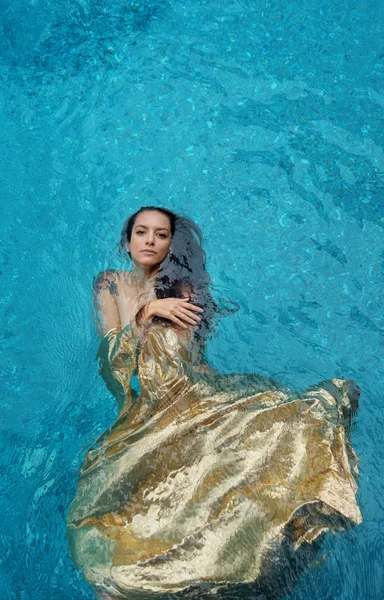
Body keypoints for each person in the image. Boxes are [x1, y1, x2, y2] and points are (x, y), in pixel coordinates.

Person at [67, 207, 362, 600]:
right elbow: (112, 360)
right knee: (111, 548)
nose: (150, 241)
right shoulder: (110, 285)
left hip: (197, 399)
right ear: (127, 241)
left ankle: (291, 538)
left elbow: (184, 363)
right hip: (151, 411)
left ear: (172, 244)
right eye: (141, 232)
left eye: (160, 234)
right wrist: (148, 311)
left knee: (317, 412)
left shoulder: (183, 289)